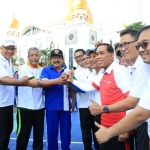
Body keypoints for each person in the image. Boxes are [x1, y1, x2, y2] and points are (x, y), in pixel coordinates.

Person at [89, 28, 150, 150]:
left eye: (145, 44)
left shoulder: (138, 67)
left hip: (129, 124)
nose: (122, 49)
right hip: (128, 124)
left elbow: (132, 103)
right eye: (121, 45)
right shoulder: (137, 67)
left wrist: (103, 110)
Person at [67, 44, 133, 150]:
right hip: (105, 126)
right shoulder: (103, 73)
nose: (98, 57)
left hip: (119, 127)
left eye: (102, 53)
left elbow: (131, 101)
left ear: (112, 55)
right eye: (97, 54)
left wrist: (126, 128)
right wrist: (72, 80)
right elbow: (89, 87)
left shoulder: (120, 70)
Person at [39, 49, 75, 150]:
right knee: (51, 133)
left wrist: (73, 101)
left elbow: (73, 87)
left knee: (66, 133)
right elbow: (43, 83)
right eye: (54, 58)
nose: (56, 60)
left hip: (66, 107)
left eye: (58, 58)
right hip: (51, 107)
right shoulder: (46, 70)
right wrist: (58, 80)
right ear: (51, 59)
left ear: (62, 59)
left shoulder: (68, 71)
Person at [0, 40, 29, 150]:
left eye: (12, 48)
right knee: (2, 133)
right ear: (1, 48)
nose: (10, 51)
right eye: (7, 48)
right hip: (1, 104)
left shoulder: (8, 60)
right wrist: (21, 82)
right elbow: (2, 79)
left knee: (8, 130)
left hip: (7, 103)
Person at [16, 47, 45, 150]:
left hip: (40, 108)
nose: (34, 57)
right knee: (23, 137)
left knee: (38, 137)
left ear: (39, 57)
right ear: (27, 57)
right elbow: (34, 83)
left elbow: (43, 83)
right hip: (25, 108)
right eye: (31, 55)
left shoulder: (42, 70)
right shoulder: (23, 68)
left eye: (36, 55)